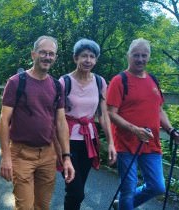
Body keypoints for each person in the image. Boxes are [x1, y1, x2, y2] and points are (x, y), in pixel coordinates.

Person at [0, 35, 75, 210]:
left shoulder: (57, 86)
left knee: (42, 206)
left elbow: (61, 123)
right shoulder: (16, 82)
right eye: (43, 52)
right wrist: (6, 157)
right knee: (25, 207)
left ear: (55, 57)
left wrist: (66, 157)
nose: (47, 57)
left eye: (51, 54)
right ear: (33, 54)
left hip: (48, 154)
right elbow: (4, 120)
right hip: (21, 153)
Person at [107, 38, 179, 210]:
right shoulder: (119, 80)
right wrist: (134, 129)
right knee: (128, 188)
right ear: (128, 56)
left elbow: (159, 110)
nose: (140, 59)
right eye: (136, 55)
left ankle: (123, 205)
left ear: (148, 57)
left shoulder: (153, 80)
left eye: (144, 55)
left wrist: (171, 130)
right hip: (126, 144)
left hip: (151, 144)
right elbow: (110, 113)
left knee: (157, 186)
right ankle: (126, 204)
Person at [59, 38, 116, 210]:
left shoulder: (100, 82)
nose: (88, 60)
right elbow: (58, 116)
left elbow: (104, 115)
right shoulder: (64, 82)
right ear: (75, 58)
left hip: (89, 141)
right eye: (84, 56)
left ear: (96, 60)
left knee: (78, 188)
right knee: (76, 192)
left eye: (92, 56)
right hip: (67, 141)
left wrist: (111, 143)